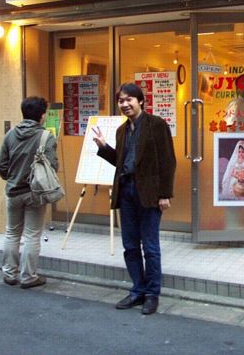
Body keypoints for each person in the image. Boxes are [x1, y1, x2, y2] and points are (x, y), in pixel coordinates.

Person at [92, 82, 176, 315]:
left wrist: (164, 194)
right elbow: (121, 162)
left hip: (149, 193)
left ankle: (152, 294)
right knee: (129, 245)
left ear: (141, 101)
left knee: (150, 246)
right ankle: (137, 290)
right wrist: (104, 147)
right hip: (126, 190)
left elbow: (168, 161)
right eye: (121, 100)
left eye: (129, 99)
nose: (125, 104)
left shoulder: (156, 124)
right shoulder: (122, 131)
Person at [0, 96, 58, 289]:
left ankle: (9, 273)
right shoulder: (46, 137)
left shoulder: (10, 135)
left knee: (12, 233)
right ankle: (28, 276)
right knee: (32, 235)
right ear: (42, 115)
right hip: (35, 193)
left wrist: (12, 177)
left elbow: (1, 165)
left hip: (13, 191)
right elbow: (53, 166)